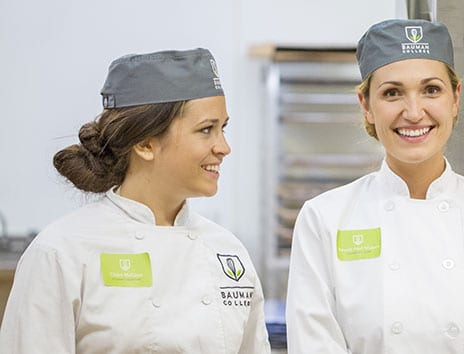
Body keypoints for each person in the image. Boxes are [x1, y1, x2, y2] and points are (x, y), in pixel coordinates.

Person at [285, 19, 464, 353]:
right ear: (366, 105)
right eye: (392, 93)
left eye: (431, 90)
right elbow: (313, 344)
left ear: (455, 98)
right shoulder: (324, 219)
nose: (413, 112)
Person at [0, 48, 271, 353]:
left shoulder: (227, 250)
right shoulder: (62, 253)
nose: (224, 147)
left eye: (223, 128)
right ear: (144, 144)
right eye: (206, 129)